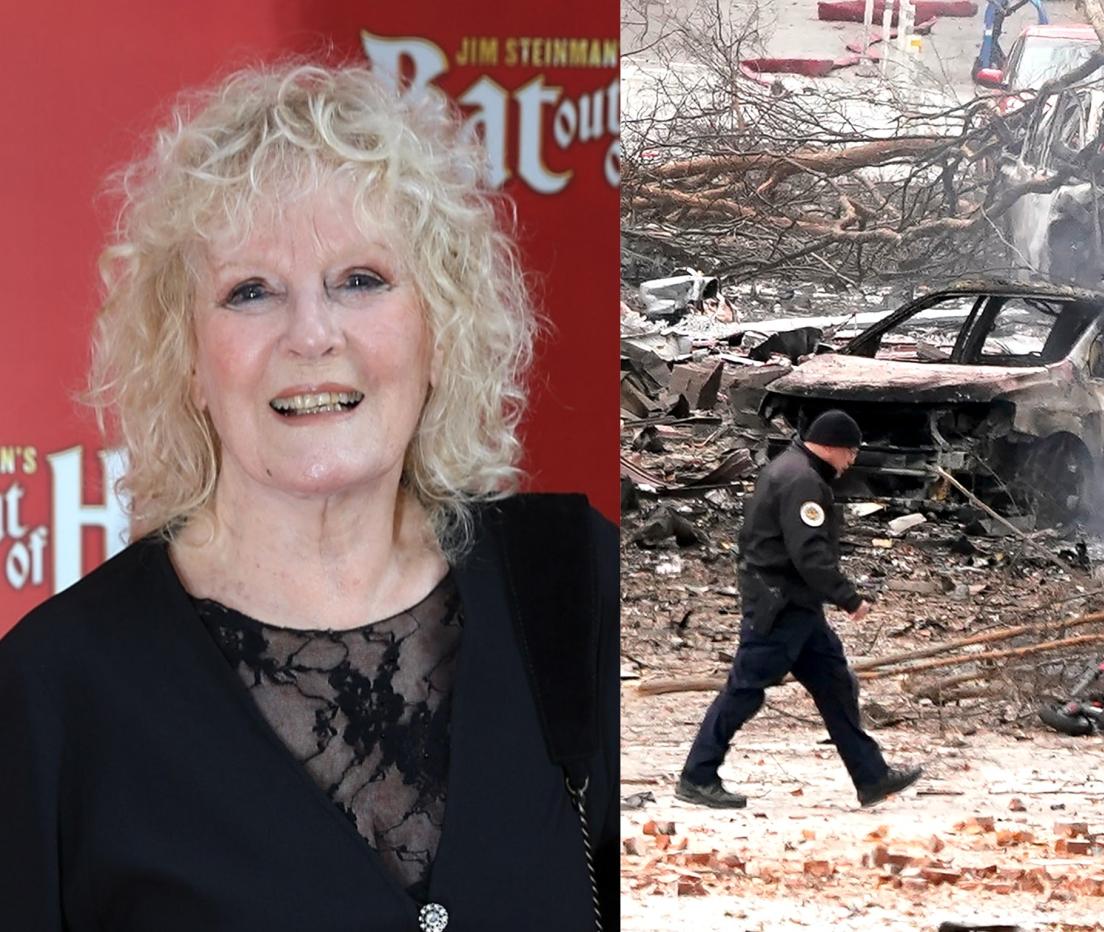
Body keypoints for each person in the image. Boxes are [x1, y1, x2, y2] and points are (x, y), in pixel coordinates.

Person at [0, 63, 618, 932]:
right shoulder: (50, 693)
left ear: (439, 326)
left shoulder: (576, 585)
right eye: (251, 292)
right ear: (188, 359)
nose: (312, 335)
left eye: (360, 279)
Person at [677, 410, 922, 809]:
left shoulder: (791, 469)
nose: (852, 460)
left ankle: (872, 776)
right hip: (780, 606)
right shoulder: (803, 481)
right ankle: (697, 776)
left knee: (835, 685)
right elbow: (808, 552)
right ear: (831, 446)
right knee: (744, 690)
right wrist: (848, 597)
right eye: (850, 452)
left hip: (797, 607)